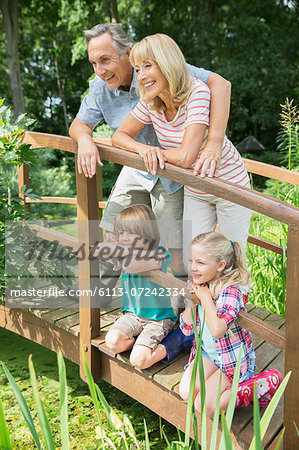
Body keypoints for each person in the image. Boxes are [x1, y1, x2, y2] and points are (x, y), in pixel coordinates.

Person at [69, 23, 232, 276]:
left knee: (175, 254)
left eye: (105, 60)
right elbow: (79, 125)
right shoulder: (100, 88)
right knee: (112, 237)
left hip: (174, 170)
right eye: (93, 63)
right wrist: (86, 140)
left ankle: (173, 313)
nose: (99, 71)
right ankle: (128, 304)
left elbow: (221, 85)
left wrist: (214, 143)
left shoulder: (162, 69)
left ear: (128, 53)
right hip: (137, 165)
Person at [112, 33, 252, 268]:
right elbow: (119, 136)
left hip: (230, 184)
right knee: (193, 259)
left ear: (167, 63)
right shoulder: (151, 102)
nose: (142, 75)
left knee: (232, 257)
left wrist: (158, 153)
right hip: (196, 187)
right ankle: (195, 306)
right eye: (137, 69)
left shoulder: (197, 92)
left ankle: (233, 305)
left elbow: (186, 156)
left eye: (148, 65)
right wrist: (146, 150)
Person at [178, 232, 255, 417]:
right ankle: (217, 381)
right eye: (191, 261)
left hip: (231, 362)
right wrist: (193, 301)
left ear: (220, 266)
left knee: (206, 407)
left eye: (200, 263)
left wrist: (205, 298)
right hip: (208, 355)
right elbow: (187, 329)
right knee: (186, 392)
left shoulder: (230, 292)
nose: (193, 268)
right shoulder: (201, 285)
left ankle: (253, 388)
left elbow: (218, 329)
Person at [97, 204, 177, 369]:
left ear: (147, 232)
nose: (124, 238)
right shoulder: (126, 251)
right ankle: (140, 340)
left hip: (158, 318)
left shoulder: (159, 253)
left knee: (139, 361)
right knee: (113, 342)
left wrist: (117, 253)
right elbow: (101, 250)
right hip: (133, 316)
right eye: (121, 233)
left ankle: (173, 343)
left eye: (130, 232)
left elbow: (132, 265)